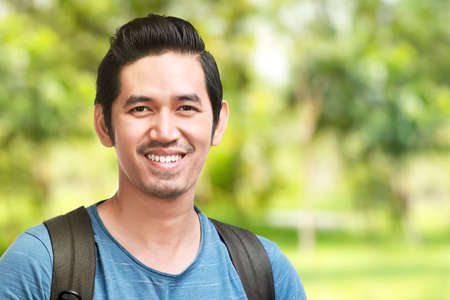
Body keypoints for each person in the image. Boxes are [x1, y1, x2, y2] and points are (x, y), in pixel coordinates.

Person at [0, 14, 307, 299]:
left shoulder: (266, 274)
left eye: (185, 108)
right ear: (104, 125)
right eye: (141, 109)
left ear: (218, 122)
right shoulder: (39, 267)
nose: (164, 131)